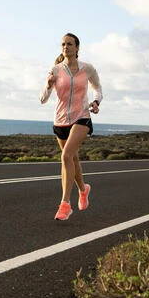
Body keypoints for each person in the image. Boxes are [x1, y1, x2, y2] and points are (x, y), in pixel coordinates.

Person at [39, 33, 103, 220]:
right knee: (72, 160)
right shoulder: (56, 70)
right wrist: (49, 85)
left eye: (69, 44)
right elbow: (42, 99)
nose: (65, 47)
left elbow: (97, 88)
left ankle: (65, 204)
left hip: (81, 117)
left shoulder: (88, 69)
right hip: (60, 121)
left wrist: (96, 101)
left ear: (77, 47)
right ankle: (83, 190)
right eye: (63, 44)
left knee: (66, 156)